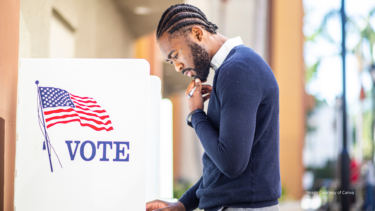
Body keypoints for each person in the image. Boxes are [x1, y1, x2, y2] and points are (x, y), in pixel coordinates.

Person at [146, 3, 280, 211]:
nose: (178, 67)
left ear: (198, 33)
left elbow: (231, 164)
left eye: (175, 55)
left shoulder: (237, 70)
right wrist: (182, 205)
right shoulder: (234, 69)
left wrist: (196, 114)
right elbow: (220, 169)